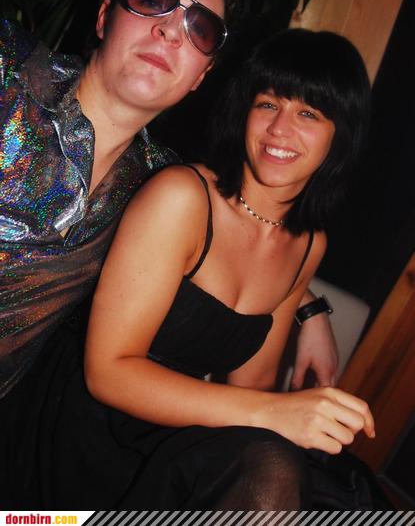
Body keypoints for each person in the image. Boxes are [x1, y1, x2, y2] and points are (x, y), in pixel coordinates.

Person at [1, 28, 378, 510]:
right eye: (267, 104)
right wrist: (278, 411)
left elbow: (252, 386)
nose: (280, 130)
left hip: (176, 434)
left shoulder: (307, 246)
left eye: (308, 114)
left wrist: (309, 320)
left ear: (340, 135)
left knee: (298, 477)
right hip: (74, 436)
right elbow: (107, 374)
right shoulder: (182, 197)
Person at [0, 0, 339, 403]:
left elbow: (240, 235)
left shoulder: (155, 184)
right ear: (104, 17)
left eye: (200, 28)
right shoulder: (8, 73)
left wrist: (308, 307)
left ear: (202, 75)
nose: (170, 30)